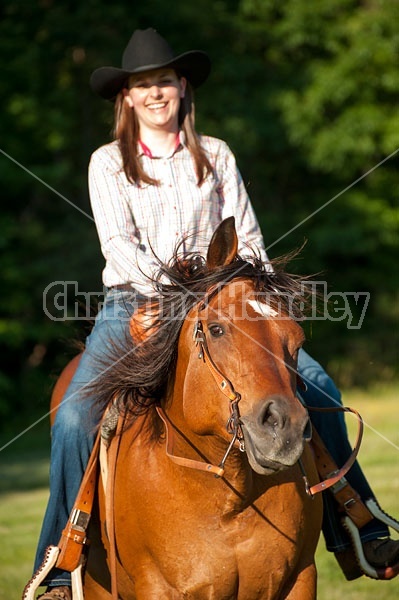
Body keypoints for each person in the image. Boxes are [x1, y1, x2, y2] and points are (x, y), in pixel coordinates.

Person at [33, 28, 399, 599]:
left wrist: (229, 290)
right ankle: (61, 559)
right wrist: (178, 294)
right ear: (126, 99)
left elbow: (247, 240)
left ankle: (358, 522)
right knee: (79, 414)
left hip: (224, 300)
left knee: (317, 383)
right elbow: (120, 247)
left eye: (164, 82)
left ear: (182, 88)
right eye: (142, 85)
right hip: (137, 302)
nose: (155, 93)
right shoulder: (107, 163)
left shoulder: (218, 154)